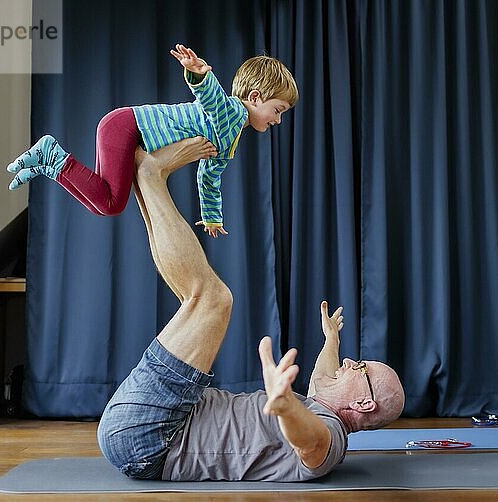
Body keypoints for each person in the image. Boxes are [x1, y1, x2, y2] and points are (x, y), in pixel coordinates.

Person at [96, 139, 405, 481]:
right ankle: (146, 181)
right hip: (164, 419)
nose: (350, 361)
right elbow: (323, 375)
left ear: (364, 403)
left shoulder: (329, 437)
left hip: (153, 438)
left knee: (213, 300)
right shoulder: (320, 402)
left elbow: (309, 444)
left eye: (360, 367)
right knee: (197, 297)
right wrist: (331, 339)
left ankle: (150, 176)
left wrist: (286, 408)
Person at [6, 44, 299, 238]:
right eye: (278, 110)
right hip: (127, 127)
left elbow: (208, 177)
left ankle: (47, 165)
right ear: (256, 98)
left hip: (122, 126)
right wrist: (198, 75)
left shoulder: (230, 138)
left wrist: (212, 217)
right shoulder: (231, 113)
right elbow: (212, 98)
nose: (278, 120)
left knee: (102, 203)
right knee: (110, 203)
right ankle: (51, 154)